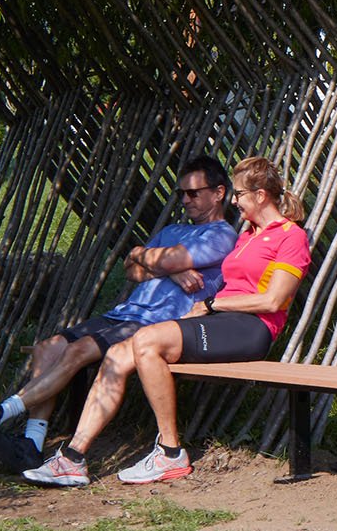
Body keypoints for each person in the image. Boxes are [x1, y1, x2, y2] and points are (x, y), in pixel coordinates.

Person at [23, 155, 311, 487]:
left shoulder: (291, 237)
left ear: (261, 195)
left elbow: (273, 300)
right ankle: (73, 459)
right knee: (119, 353)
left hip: (252, 327)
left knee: (147, 340)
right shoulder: (248, 235)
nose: (235, 201)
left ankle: (171, 453)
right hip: (221, 321)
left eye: (240, 194)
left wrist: (212, 303)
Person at [0, 156, 236, 466]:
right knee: (48, 347)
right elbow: (131, 269)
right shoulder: (172, 230)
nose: (186, 200)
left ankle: (3, 412)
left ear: (218, 193)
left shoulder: (221, 235)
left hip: (152, 321)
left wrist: (150, 257)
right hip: (125, 313)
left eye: (194, 193)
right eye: (181, 194)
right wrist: (159, 264)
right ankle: (32, 442)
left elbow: (160, 260)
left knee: (79, 350)